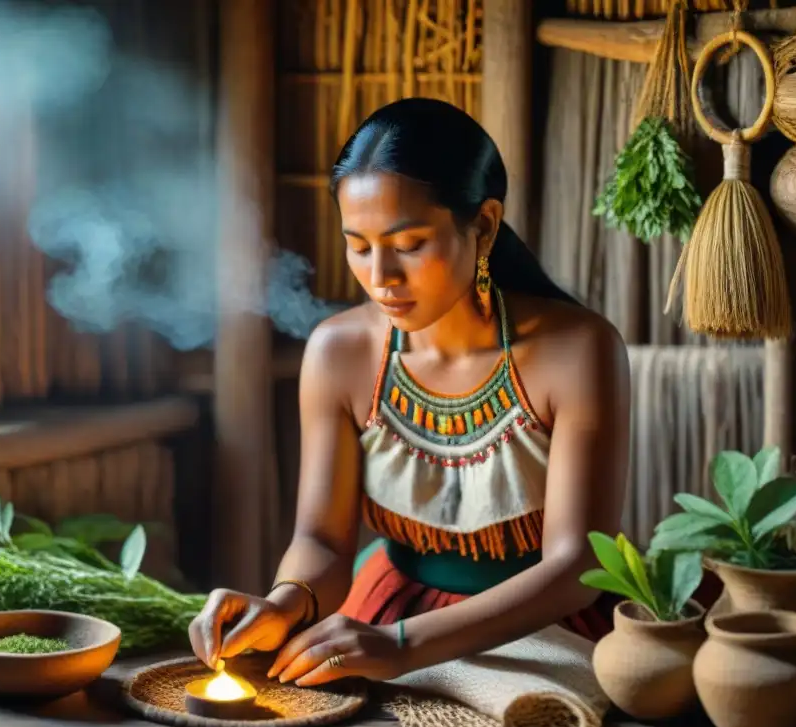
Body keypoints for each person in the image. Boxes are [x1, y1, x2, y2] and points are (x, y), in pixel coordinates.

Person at [189, 97, 632, 688]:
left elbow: (576, 565)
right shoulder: (337, 354)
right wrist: (284, 604)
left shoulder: (578, 349)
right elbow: (321, 541)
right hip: (385, 614)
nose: (381, 277)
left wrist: (405, 647)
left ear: (484, 225)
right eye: (360, 245)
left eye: (409, 243)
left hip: (548, 625)